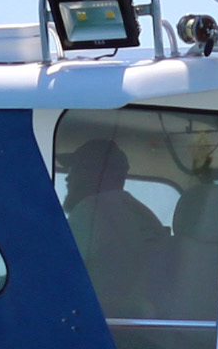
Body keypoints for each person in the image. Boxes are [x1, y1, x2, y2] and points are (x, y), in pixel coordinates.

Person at [60, 133, 174, 322]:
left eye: (76, 168)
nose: (68, 178)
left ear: (96, 172)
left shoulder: (91, 211)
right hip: (133, 322)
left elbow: (56, 273)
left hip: (100, 324)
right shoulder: (138, 212)